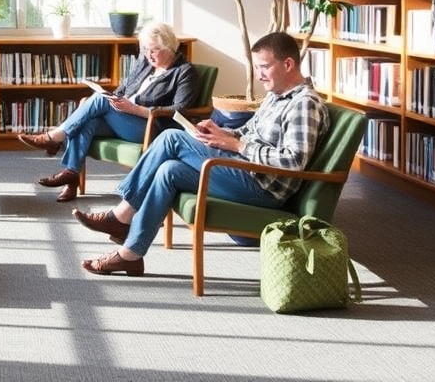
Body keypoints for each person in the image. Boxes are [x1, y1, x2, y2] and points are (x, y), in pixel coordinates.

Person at [73, 31, 329, 276]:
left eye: (264, 67)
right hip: (241, 169)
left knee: (171, 138)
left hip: (262, 188)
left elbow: (293, 161)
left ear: (288, 64)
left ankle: (120, 216)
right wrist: (221, 131)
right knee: (168, 171)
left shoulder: (303, 104)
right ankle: (131, 255)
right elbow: (247, 130)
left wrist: (237, 146)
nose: (259, 75)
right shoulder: (276, 96)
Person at [17, 22, 199, 202]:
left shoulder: (184, 72)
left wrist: (136, 109)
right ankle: (71, 175)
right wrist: (113, 100)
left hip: (151, 127)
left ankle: (54, 138)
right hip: (124, 119)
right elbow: (124, 89)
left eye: (154, 50)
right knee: (87, 120)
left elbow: (178, 110)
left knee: (98, 99)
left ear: (169, 47)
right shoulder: (145, 62)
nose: (148, 55)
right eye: (146, 49)